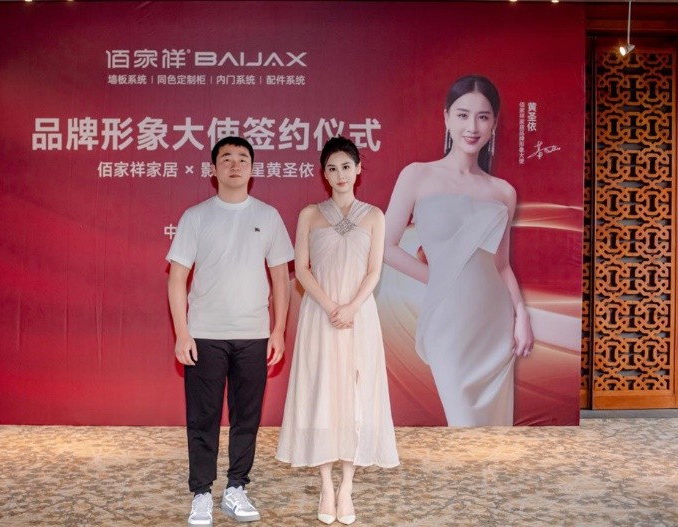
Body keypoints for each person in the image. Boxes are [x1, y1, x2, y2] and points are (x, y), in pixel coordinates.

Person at [383, 74, 535, 427]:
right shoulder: (417, 175)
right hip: (448, 319)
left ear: (494, 124)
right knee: (463, 423)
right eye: (463, 115)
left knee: (493, 432)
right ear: (446, 118)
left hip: (494, 321)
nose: (472, 126)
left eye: (483, 117)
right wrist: (438, 278)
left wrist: (522, 315)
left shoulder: (503, 192)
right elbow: (385, 247)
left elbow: (501, 265)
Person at [167, 136, 294, 527]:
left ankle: (237, 487)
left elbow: (281, 279)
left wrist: (278, 331)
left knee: (246, 418)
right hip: (204, 334)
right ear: (213, 169)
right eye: (226, 158)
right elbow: (176, 278)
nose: (235, 165)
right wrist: (182, 332)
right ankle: (202, 493)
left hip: (253, 334)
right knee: (202, 418)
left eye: (242, 159)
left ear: (253, 169)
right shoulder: (196, 217)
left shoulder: (268, 216)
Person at [276, 136, 399, 526]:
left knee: (355, 395)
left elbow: (374, 271)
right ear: (323, 174)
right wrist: (331, 307)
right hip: (321, 315)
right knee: (322, 393)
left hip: (359, 316)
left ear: (358, 169)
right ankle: (326, 486)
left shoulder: (374, 216)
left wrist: (351, 307)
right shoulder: (310, 215)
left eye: (347, 166)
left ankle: (347, 487)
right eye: (332, 168)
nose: (340, 174)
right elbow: (302, 268)